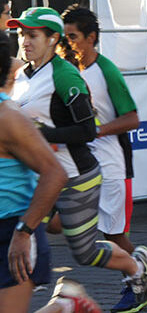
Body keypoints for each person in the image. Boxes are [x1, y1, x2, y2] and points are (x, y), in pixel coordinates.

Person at [7, 7, 147, 312]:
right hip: (43, 178)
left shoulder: (64, 75)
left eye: (32, 35)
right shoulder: (22, 74)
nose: (25, 41)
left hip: (77, 176)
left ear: (52, 39)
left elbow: (87, 130)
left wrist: (44, 134)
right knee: (31, 232)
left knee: (84, 251)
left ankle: (137, 270)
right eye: (22, 34)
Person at [60, 6, 147, 311]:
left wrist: (95, 131)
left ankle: (138, 278)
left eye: (73, 37)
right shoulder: (69, 70)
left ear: (91, 37)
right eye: (65, 36)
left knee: (114, 234)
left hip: (112, 165)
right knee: (58, 223)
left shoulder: (106, 70)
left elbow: (133, 118)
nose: (67, 42)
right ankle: (139, 265)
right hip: (82, 165)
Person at [0, 30, 68, 313]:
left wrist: (24, 232)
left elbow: (55, 174)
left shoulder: (8, 118)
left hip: (12, 232)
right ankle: (64, 306)